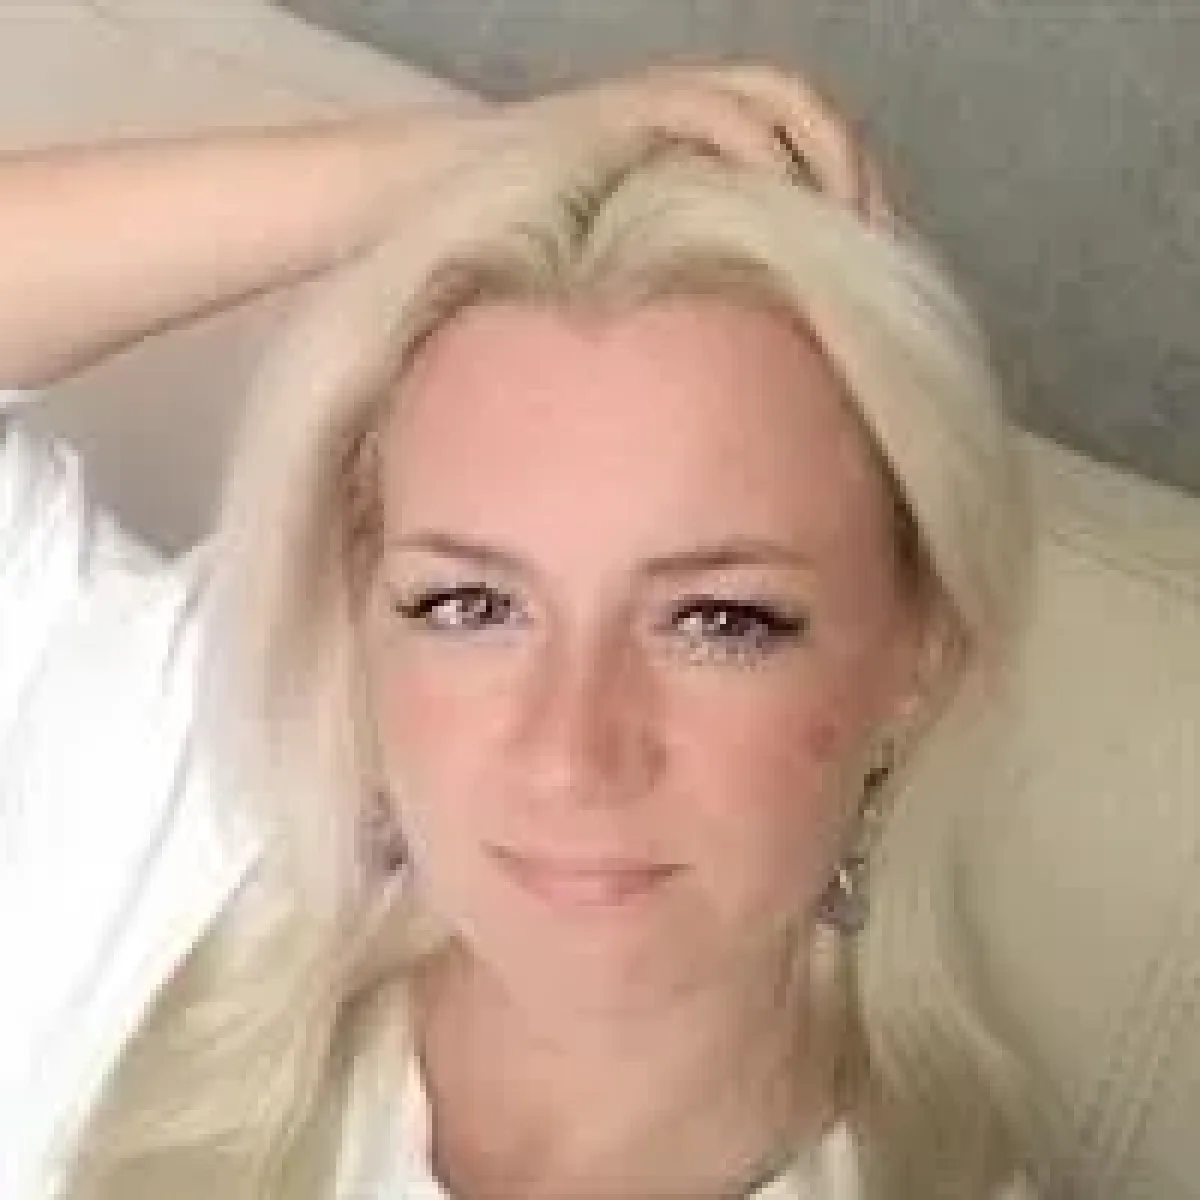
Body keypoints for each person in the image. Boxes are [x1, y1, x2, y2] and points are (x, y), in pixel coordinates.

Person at [0, 64, 1039, 1198]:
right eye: (471, 607)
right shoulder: (181, 795)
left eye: (718, 620)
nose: (569, 756)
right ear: (361, 603)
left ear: (920, 651)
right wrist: (487, 168)